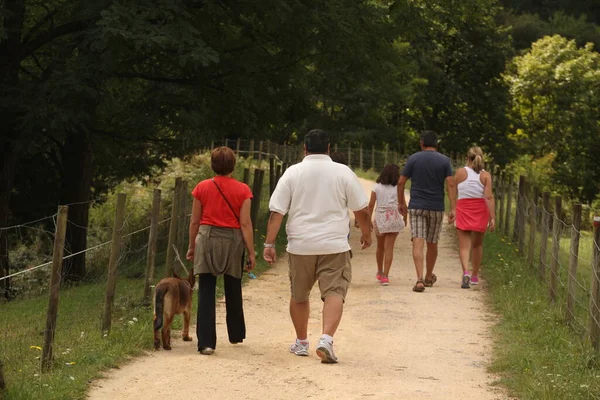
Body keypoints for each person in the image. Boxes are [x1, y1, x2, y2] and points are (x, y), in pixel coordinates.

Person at [263, 129, 372, 364]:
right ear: (329, 148)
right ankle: (325, 339)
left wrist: (269, 243)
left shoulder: (293, 173)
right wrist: (366, 233)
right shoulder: (343, 172)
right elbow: (361, 210)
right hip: (334, 244)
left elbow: (277, 212)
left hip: (300, 245)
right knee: (335, 292)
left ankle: (301, 342)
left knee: (299, 294)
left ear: (304, 148)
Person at [186, 146, 256, 355]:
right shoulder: (243, 190)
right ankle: (236, 334)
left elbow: (195, 221)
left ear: (212, 165)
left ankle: (206, 342)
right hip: (232, 240)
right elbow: (245, 223)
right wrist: (251, 252)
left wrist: (191, 246)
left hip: (207, 239)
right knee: (233, 285)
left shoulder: (202, 187)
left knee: (206, 289)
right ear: (233, 165)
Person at [398, 131, 457, 292]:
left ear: (421, 143)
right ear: (436, 144)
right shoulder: (445, 160)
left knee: (418, 241)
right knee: (432, 243)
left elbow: (401, 182)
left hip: (417, 206)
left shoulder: (414, 158)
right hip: (436, 207)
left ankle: (418, 279)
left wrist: (401, 203)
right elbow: (451, 184)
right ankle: (429, 276)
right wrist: (453, 208)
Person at [454, 146, 496, 289]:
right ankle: (474, 276)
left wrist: (453, 209)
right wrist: (492, 217)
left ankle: (465, 271)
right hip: (480, 209)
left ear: (467, 157)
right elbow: (489, 197)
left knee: (464, 245)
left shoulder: (460, 172)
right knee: (477, 245)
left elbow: (453, 189)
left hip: (463, 208)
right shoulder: (486, 175)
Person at [369, 164, 406, 286]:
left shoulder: (377, 187)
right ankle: (386, 276)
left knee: (380, 247)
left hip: (380, 218)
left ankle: (379, 271)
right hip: (393, 217)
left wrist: (368, 220)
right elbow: (403, 205)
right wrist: (405, 219)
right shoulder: (398, 188)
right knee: (389, 248)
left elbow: (371, 205)